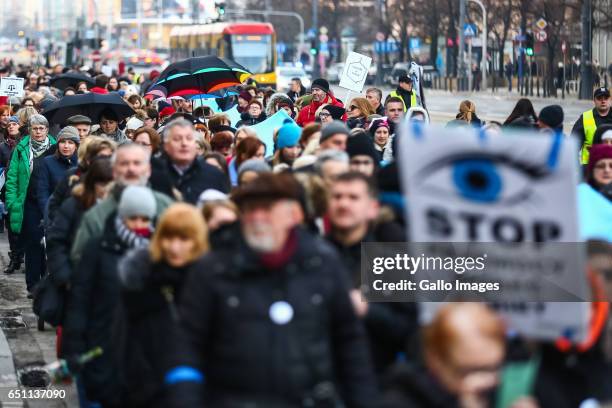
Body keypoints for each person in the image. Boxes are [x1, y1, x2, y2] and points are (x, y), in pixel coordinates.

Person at [165, 172, 378, 407]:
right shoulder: (214, 267)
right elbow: (187, 344)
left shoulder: (371, 253)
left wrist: (371, 310)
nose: (257, 217)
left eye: (267, 208)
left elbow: (380, 334)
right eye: (250, 209)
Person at [63, 185, 157, 407]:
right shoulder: (98, 248)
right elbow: (80, 299)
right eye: (133, 218)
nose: (138, 226)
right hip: (101, 344)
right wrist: (74, 346)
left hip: (142, 353)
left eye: (145, 219)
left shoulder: (156, 252)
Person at [114, 203, 208, 408]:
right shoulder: (140, 282)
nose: (175, 247)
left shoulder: (209, 285)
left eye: (184, 239)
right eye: (169, 238)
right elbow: (125, 340)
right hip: (145, 391)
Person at [325, 172, 411, 374]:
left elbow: (407, 330)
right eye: (337, 197)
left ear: (372, 208)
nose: (344, 204)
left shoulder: (390, 260)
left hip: (375, 374)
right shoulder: (313, 254)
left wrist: (367, 311)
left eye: (353, 197)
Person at [381, 303, 506, 408]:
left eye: (493, 368)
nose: (485, 380)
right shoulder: (399, 401)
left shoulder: (493, 392)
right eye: (469, 371)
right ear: (435, 361)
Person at [70, 143, 173, 265]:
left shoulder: (166, 206)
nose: (131, 169)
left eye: (137, 163)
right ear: (114, 171)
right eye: (124, 164)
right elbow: (80, 260)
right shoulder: (95, 216)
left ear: (148, 170)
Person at [46, 158, 114, 311]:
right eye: (101, 184)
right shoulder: (73, 205)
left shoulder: (122, 208)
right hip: (78, 281)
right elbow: (56, 241)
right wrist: (65, 277)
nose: (106, 189)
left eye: (111, 183)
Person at [5, 115, 56, 291]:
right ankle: (33, 285)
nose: (38, 131)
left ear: (47, 130)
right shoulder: (20, 149)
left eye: (42, 128)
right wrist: (12, 202)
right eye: (35, 128)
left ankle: (46, 282)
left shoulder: (56, 147)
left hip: (49, 202)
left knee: (47, 244)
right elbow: (11, 177)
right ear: (29, 130)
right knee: (33, 243)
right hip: (28, 201)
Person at [149, 119, 229, 204]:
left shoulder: (214, 175)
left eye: (189, 138)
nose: (184, 143)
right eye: (177, 139)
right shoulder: (151, 172)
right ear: (165, 145)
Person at [46, 136, 116, 226]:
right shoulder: (73, 176)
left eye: (109, 157)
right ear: (88, 159)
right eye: (101, 157)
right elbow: (54, 204)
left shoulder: (118, 182)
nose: (105, 161)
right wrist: (62, 223)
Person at [33, 126, 79, 224]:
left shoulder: (82, 163)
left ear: (76, 146)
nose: (66, 146)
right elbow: (42, 192)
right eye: (63, 142)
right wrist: (49, 214)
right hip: (53, 217)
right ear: (58, 144)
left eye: (70, 142)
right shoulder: (48, 162)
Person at [572, 87, 612, 165]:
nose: (603, 101)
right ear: (594, 100)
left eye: (606, 98)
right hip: (590, 166)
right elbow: (574, 144)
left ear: (610, 100)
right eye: (599, 98)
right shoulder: (585, 118)